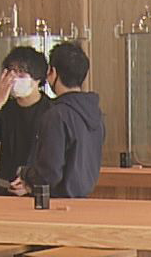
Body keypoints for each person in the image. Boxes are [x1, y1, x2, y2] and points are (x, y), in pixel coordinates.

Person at [19, 43, 104, 199]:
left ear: (53, 72)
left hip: (56, 203)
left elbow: (49, 173)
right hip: (85, 200)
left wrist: (25, 175)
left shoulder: (56, 115)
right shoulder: (95, 112)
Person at [0, 45, 51, 196]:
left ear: (37, 78)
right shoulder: (5, 109)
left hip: (37, 193)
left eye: (21, 72)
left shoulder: (51, 111)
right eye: (10, 71)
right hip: (5, 192)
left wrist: (32, 185)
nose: (14, 78)